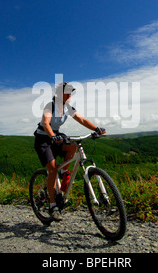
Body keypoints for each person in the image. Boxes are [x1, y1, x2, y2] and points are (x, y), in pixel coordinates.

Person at [34, 82, 106, 221]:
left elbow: (81, 119)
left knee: (73, 147)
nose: (69, 95)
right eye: (66, 93)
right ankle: (53, 205)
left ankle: (63, 172)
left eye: (70, 93)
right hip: (44, 138)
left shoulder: (68, 108)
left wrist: (96, 129)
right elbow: (46, 123)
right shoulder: (50, 105)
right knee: (52, 169)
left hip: (56, 136)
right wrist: (53, 137)